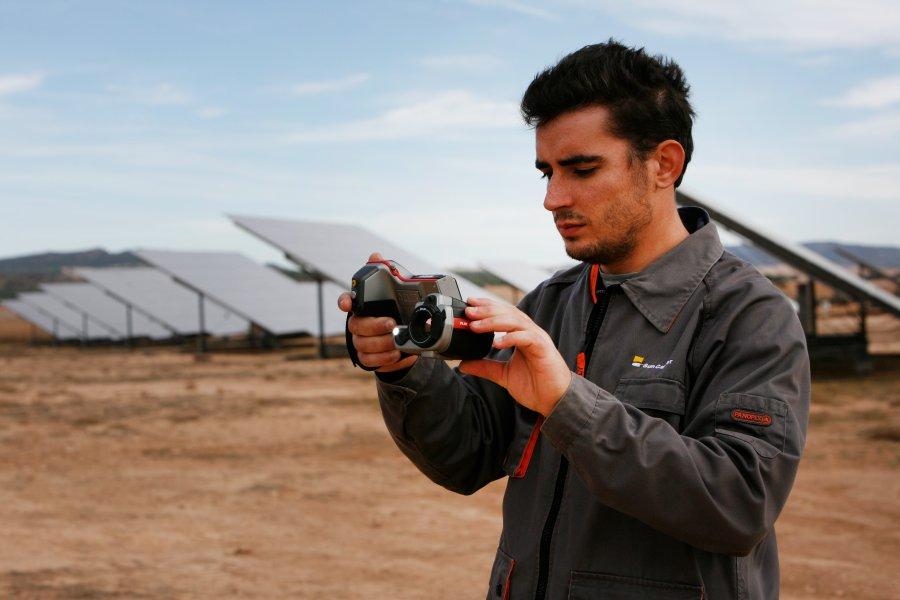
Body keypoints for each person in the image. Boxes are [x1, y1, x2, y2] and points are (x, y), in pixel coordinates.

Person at [338, 40, 809, 600]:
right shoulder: (550, 303)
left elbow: (738, 504)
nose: (553, 198)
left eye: (582, 169)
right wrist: (403, 370)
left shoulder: (749, 315)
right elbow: (466, 457)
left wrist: (569, 404)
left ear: (664, 164)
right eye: (547, 173)